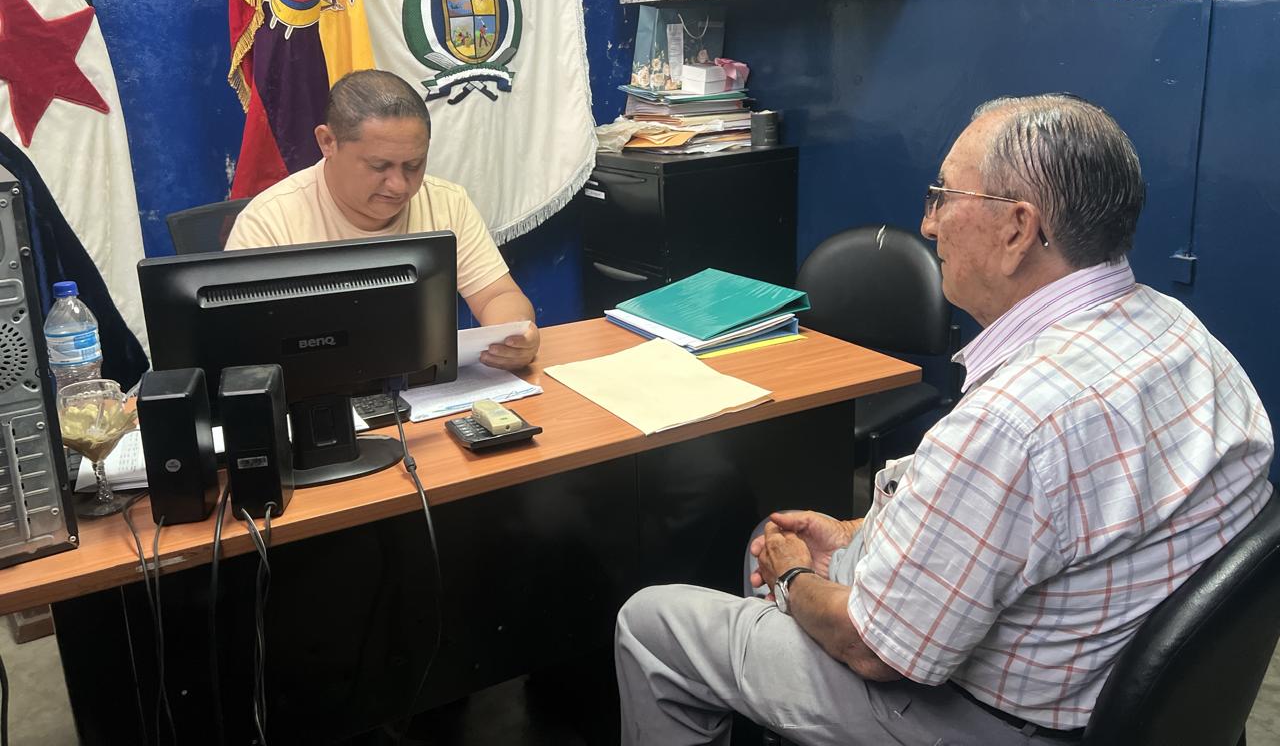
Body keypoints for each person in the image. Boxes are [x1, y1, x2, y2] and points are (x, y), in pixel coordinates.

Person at [614, 93, 1275, 745]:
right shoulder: (1182, 334)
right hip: (1108, 680)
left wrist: (793, 577)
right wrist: (854, 533)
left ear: (1017, 229)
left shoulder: (1014, 420)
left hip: (988, 717)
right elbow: (1039, 522)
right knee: (780, 547)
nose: (928, 225)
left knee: (656, 622)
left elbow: (875, 648)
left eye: (944, 197)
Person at [225, 69, 540, 370]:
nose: (399, 186)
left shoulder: (447, 202)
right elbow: (243, 346)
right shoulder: (269, 222)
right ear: (327, 142)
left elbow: (498, 295)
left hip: (422, 387)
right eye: (379, 166)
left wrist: (513, 337)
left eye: (414, 165)